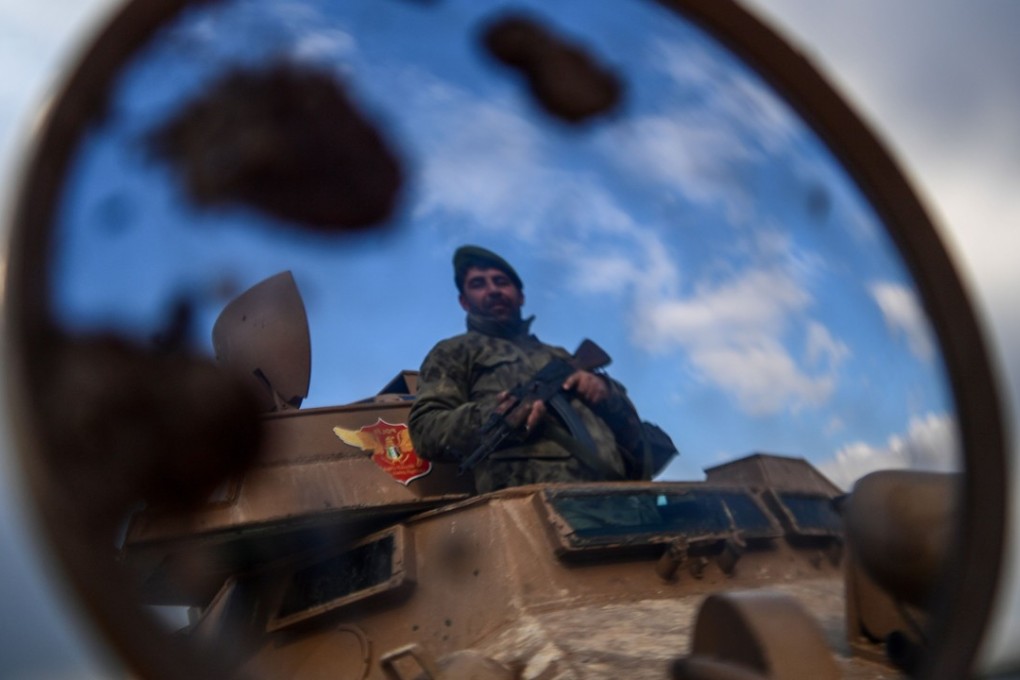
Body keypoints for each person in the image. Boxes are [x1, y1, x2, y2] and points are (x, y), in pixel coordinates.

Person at [408, 245, 658, 494]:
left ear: (521, 296)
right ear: (464, 301)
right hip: (534, 508)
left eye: (501, 282)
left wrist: (605, 390)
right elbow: (425, 430)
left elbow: (631, 422)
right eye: (478, 284)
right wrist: (494, 416)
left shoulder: (557, 355)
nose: (493, 290)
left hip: (620, 496)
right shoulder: (454, 352)